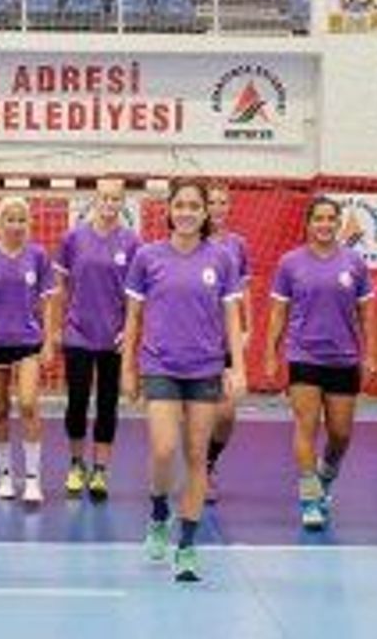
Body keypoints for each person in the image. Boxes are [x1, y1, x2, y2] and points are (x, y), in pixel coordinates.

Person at [123, 179, 246, 582]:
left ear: (205, 212)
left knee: (196, 455)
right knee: (163, 449)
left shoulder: (222, 258)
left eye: (195, 206)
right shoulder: (147, 257)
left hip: (205, 368)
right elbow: (133, 318)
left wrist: (237, 367)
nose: (187, 212)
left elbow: (232, 318)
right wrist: (127, 369)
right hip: (160, 365)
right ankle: (159, 512)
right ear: (169, 210)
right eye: (181, 205)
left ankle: (187, 546)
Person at [265, 197, 375, 531]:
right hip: (304, 356)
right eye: (319, 218)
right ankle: (310, 499)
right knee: (306, 427)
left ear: (339, 224)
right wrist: (270, 353)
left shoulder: (354, 263)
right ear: (308, 223)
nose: (325, 224)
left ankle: (326, 474)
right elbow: (278, 312)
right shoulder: (290, 263)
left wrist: (370, 354)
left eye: (331, 219)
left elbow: (366, 313)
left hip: (344, 358)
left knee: (340, 434)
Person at [51, 178, 140, 501]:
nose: (109, 204)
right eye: (104, 198)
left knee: (107, 404)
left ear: (122, 203)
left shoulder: (132, 243)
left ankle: (100, 470)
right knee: (76, 402)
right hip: (78, 334)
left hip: (113, 338)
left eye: (115, 199)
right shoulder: (73, 238)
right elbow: (60, 286)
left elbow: (135, 296)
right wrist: (57, 327)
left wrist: (129, 332)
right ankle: (76, 464)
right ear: (95, 200)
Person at [0, 196, 56, 505]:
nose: (16, 225)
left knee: (28, 404)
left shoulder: (38, 255)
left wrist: (48, 340)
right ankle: (5, 476)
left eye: (22, 219)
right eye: (10, 219)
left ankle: (33, 479)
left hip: (28, 342)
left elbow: (47, 301)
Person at [205, 183, 253, 503]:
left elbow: (244, 290)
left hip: (226, 341)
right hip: (195, 340)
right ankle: (197, 469)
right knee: (197, 414)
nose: (218, 207)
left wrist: (248, 327)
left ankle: (208, 461)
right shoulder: (191, 242)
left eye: (223, 202)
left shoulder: (238, 245)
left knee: (225, 415)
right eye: (212, 202)